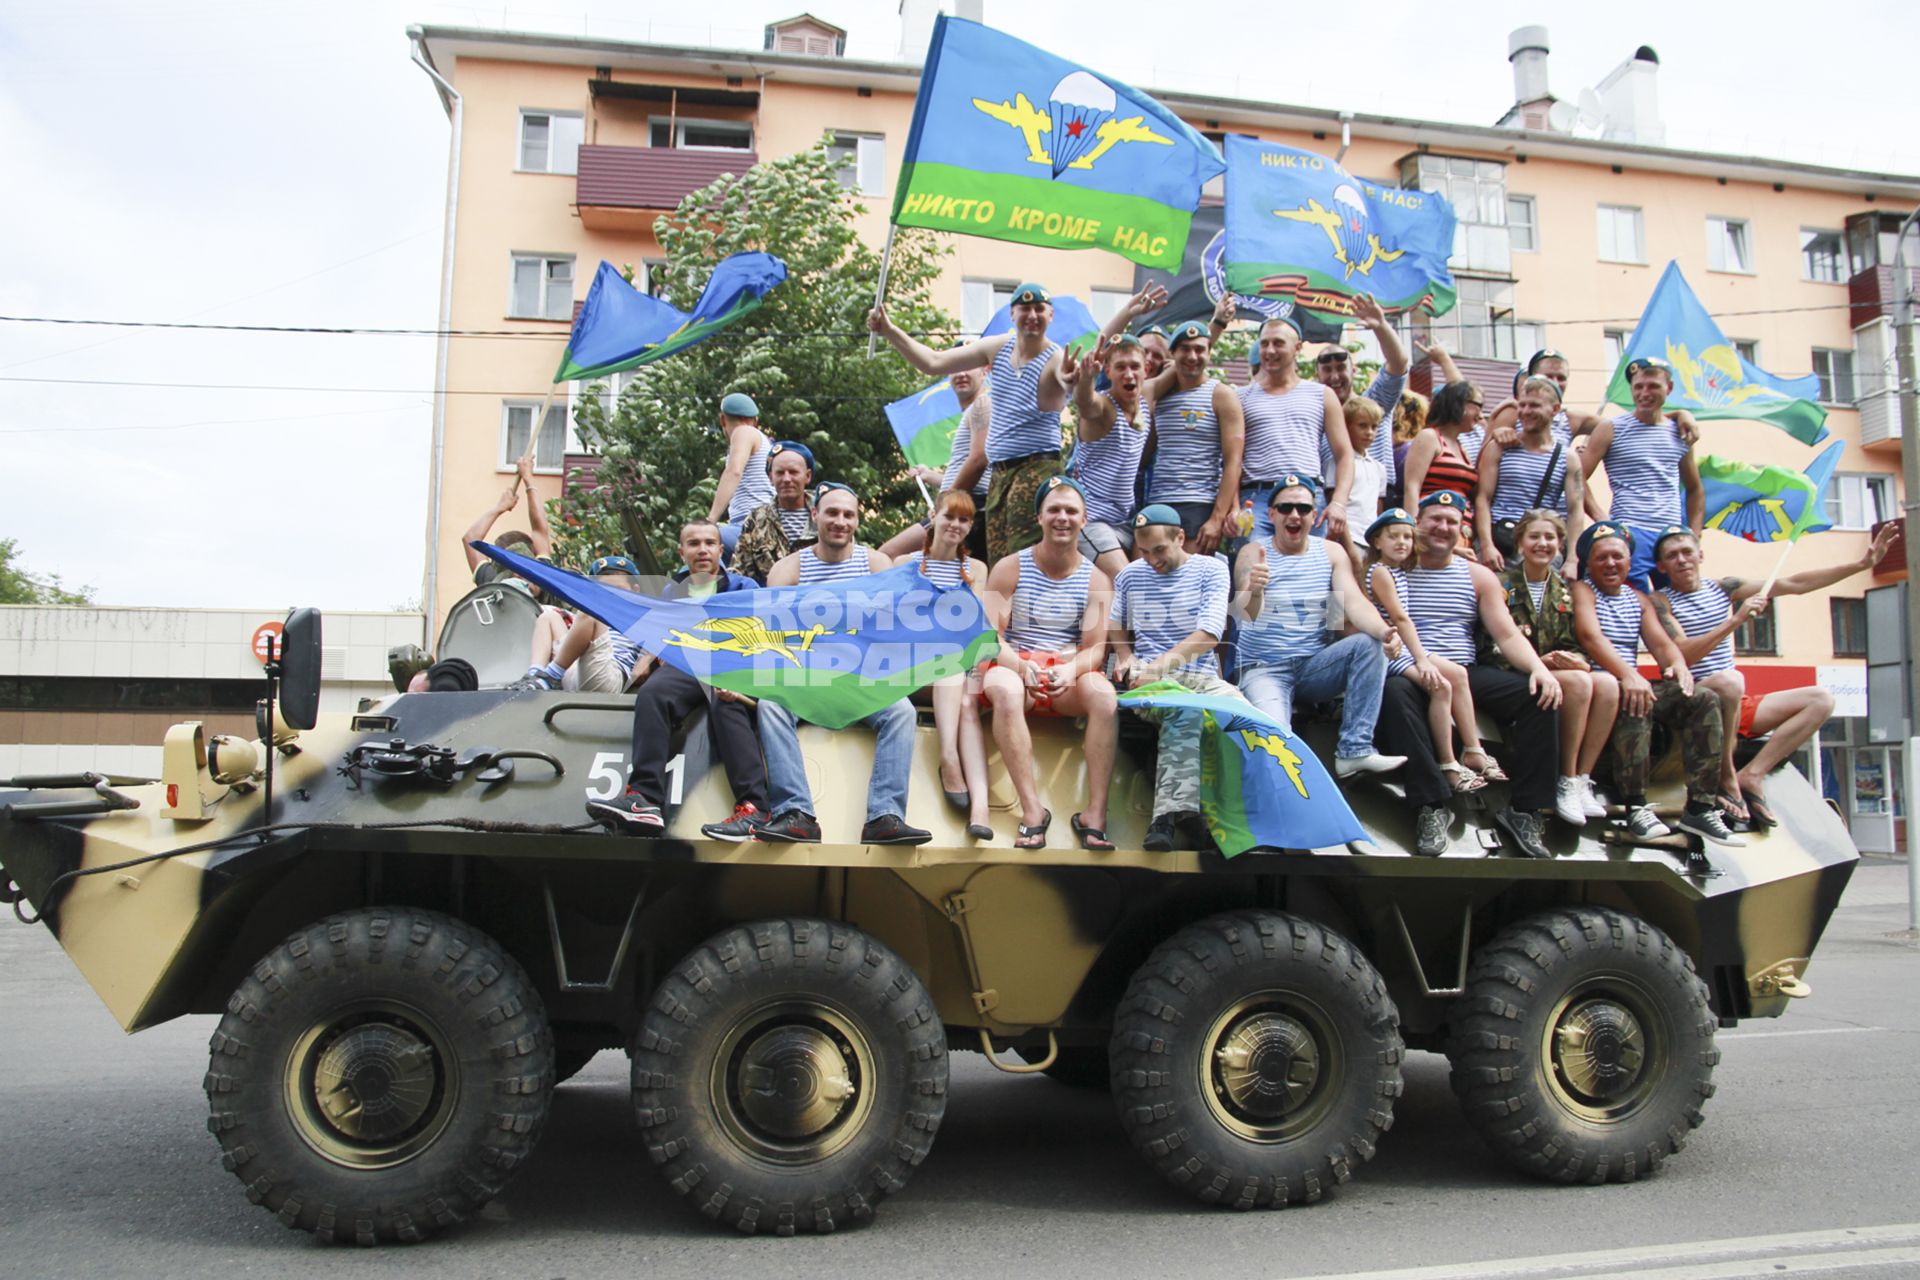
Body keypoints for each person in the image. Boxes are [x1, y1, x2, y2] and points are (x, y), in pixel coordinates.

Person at [869, 282, 1160, 561]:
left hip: (1035, 468)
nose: (1032, 316)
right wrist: (890, 331)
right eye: (1024, 309)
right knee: (999, 560)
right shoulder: (997, 347)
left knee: (1022, 558)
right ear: (1012, 314)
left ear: (1050, 316)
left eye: (1040, 310)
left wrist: (1072, 378)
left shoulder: (1055, 357)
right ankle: (999, 612)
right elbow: (932, 362)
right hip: (1001, 472)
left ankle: (1028, 612)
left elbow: (1076, 367)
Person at [1652, 522, 1896, 828]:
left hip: (1735, 702)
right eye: (1672, 555)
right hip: (1696, 702)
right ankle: (1725, 776)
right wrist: (1736, 620)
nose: (1682, 559)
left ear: (1701, 555)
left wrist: (1861, 565)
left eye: (1687, 551)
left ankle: (1752, 775)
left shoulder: (1724, 588)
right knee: (1730, 681)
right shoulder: (1659, 601)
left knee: (1820, 699)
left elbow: (1795, 583)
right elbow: (1684, 653)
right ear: (1661, 566)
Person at [1373, 491, 1565, 859]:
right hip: (1409, 668)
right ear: (1417, 522)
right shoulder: (1393, 567)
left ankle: (1525, 810)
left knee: (1538, 696)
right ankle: (1431, 805)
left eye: (1451, 521)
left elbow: (1506, 634)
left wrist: (1539, 668)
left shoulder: (1477, 576)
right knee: (1396, 694)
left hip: (1463, 671)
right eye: (1434, 519)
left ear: (1462, 529)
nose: (1443, 527)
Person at [753, 483, 928, 846]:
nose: (840, 521)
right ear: (815, 515)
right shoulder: (788, 569)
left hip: (860, 676)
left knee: (901, 712)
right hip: (807, 676)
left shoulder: (876, 564)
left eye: (848, 515)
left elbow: (892, 630)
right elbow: (773, 635)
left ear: (857, 520)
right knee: (771, 705)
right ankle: (795, 813)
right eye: (832, 513)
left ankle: (884, 816)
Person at [584, 521, 770, 840]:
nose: (702, 549)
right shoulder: (671, 591)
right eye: (694, 543)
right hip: (687, 664)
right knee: (654, 693)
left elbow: (761, 637)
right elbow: (664, 637)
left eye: (709, 543)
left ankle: (755, 808)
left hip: (731, 664)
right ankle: (644, 799)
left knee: (725, 700)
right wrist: (648, 659)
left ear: (720, 550)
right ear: (682, 551)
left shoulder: (745, 587)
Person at [1571, 522, 1742, 848]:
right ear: (1589, 564)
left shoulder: (1638, 600)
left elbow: (1663, 646)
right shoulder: (1584, 591)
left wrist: (1679, 668)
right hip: (1600, 683)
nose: (1610, 564)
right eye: (1602, 558)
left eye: (1618, 557)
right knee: (1638, 699)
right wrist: (1629, 675)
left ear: (1630, 563)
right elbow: (1590, 638)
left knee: (1703, 698)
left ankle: (1700, 806)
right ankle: (1636, 805)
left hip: (1630, 681)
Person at [1231, 476, 1405, 778]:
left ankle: (1354, 750)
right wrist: (1255, 589)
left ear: (1314, 514)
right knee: (1277, 743)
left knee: (1369, 643)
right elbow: (1244, 616)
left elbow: (1353, 602)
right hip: (1263, 668)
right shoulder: (1253, 552)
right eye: (1285, 508)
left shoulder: (1330, 552)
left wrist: (1384, 631)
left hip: (1313, 665)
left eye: (1303, 508)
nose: (1294, 515)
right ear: (1271, 514)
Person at [981, 477, 1118, 850]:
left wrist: (1068, 671)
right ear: (1039, 517)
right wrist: (1022, 667)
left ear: (1084, 518)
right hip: (1015, 667)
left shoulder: (1097, 579)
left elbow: (1095, 649)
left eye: (1071, 511)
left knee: (1105, 697)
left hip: (1065, 673)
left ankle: (1095, 814)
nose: (1062, 517)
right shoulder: (1010, 568)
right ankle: (1032, 811)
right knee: (1006, 691)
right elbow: (989, 638)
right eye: (1054, 510)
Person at [1110, 504, 1245, 851]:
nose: (1151, 560)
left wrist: (1159, 666)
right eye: (1143, 551)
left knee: (1244, 718)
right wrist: (1126, 658)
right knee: (1183, 709)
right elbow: (1115, 623)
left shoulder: (1212, 570)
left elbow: (1209, 634)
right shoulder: (1130, 576)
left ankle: (1236, 818)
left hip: (1198, 675)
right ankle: (1165, 819)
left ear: (1180, 538)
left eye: (1159, 550)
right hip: (1151, 680)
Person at [1484, 510, 1616, 826]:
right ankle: (1564, 778)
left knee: (1609, 684)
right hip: (1512, 673)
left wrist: (1576, 660)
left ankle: (1581, 779)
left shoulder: (1566, 591)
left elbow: (1574, 644)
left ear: (1560, 544)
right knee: (1580, 684)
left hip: (1555, 671)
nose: (1542, 544)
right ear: (1519, 542)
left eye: (1550, 537)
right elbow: (1489, 644)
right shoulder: (1500, 585)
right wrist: (1535, 662)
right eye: (1534, 536)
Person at [1369, 493, 1498, 797]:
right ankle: (1449, 763)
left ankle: (1473, 750)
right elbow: (1400, 619)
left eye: (1405, 537)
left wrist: (1461, 551)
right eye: (1393, 537)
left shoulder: (1399, 568)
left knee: (1458, 677)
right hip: (1392, 652)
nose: (1401, 543)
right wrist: (1422, 660)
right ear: (1377, 541)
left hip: (1407, 651)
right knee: (1441, 686)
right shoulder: (1382, 572)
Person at [896, 489, 994, 839]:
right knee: (952, 672)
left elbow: (972, 624)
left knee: (967, 698)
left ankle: (980, 809)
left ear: (970, 527)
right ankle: (948, 758)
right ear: (933, 516)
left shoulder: (975, 569)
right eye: (949, 516)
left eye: (964, 519)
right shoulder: (905, 563)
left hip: (956, 665)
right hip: (910, 664)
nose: (955, 524)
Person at [1581, 356, 1704, 589]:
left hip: (1670, 535)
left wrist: (1694, 536)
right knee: (1634, 605)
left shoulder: (1680, 432)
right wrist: (1601, 518)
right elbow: (1577, 477)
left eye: (1653, 386)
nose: (1644, 393)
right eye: (1638, 387)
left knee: (1673, 605)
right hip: (1631, 532)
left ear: (1669, 388)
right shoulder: (1611, 428)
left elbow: (1695, 488)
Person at [1238, 317, 1349, 543]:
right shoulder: (1240, 397)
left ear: (1297, 347)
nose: (1270, 350)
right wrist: (1232, 508)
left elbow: (1345, 454)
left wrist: (1338, 502)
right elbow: (1231, 460)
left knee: (1312, 572)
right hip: (1256, 501)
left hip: (1308, 499)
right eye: (1264, 343)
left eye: (1278, 343)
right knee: (1253, 571)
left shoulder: (1322, 394)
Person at [1142, 320, 1246, 553]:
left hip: (1199, 503)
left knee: (1187, 582)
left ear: (1209, 353)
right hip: (1158, 499)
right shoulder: (1160, 396)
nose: (1192, 356)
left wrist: (1216, 519)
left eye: (1199, 349)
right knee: (1147, 578)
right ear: (1173, 353)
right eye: (1185, 349)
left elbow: (1233, 463)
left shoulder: (1222, 395)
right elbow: (1144, 453)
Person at [880, 360, 993, 562]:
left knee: (887, 555)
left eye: (968, 366)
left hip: (966, 508)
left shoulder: (982, 404)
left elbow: (978, 461)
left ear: (984, 372)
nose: (961, 373)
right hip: (960, 505)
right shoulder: (972, 410)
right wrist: (931, 476)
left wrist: (945, 505)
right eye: (955, 368)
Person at [1475, 375, 1586, 572]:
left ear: (1555, 409)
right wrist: (1486, 546)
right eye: (1522, 405)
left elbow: (1575, 510)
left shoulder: (1567, 457)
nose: (1525, 412)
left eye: (1534, 406)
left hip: (1542, 549)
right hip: (1501, 546)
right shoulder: (1500, 447)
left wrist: (1572, 560)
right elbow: (1483, 498)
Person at [1066, 334, 1150, 581]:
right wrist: (1087, 378)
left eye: (1134, 366)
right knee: (1128, 581)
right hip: (1092, 520)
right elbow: (1085, 403)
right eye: (1120, 367)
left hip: (1127, 521)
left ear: (1146, 370)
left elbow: (1185, 368)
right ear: (1109, 372)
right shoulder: (1104, 408)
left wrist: (1218, 323)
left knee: (1160, 575)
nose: (1129, 373)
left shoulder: (1145, 403)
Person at [1313, 293, 1410, 484]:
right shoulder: (1315, 417)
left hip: (1378, 499)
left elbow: (1398, 363)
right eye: (1327, 370)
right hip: (1332, 498)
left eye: (1341, 368)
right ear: (1317, 375)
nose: (1334, 377)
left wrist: (1381, 326)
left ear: (1354, 370)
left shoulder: (1374, 401)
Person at [512, 553, 642, 692]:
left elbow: (648, 663)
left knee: (590, 610)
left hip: (609, 676)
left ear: (635, 590)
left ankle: (550, 676)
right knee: (549, 616)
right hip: (576, 670)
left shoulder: (643, 617)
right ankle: (535, 675)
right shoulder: (599, 616)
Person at [1402, 381, 1486, 547]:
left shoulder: (1462, 448)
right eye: (1478, 406)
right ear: (1459, 404)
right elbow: (1412, 486)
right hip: (1432, 532)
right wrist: (1411, 532)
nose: (1481, 415)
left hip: (1460, 534)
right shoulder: (1429, 438)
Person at [731, 440, 818, 585]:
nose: (786, 479)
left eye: (793, 472)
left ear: (807, 476)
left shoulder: (828, 513)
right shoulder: (756, 520)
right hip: (772, 602)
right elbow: (739, 573)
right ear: (771, 478)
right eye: (780, 473)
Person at [462, 457, 552, 586]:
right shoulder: (541, 573)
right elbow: (539, 530)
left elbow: (470, 538)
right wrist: (528, 478)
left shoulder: (492, 580)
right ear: (532, 552)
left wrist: (499, 507)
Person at [1335, 396, 1388, 553]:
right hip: (1348, 539)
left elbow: (1378, 509)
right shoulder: (1339, 463)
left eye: (1374, 427)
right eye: (1362, 426)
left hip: (1370, 540)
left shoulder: (1378, 468)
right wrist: (1348, 546)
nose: (1369, 432)